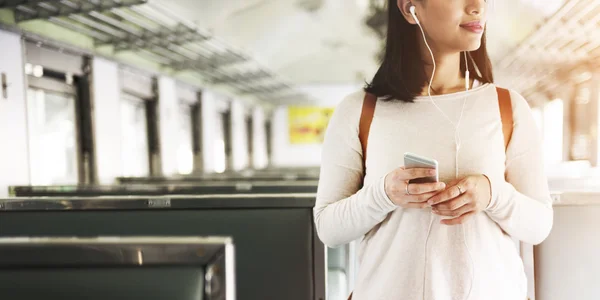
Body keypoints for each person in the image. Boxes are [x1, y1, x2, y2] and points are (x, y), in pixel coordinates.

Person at [313, 0, 554, 299]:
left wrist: (492, 194)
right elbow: (329, 229)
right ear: (409, 9)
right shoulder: (359, 111)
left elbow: (539, 225)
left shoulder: (508, 107)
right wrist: (383, 194)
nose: (477, 6)